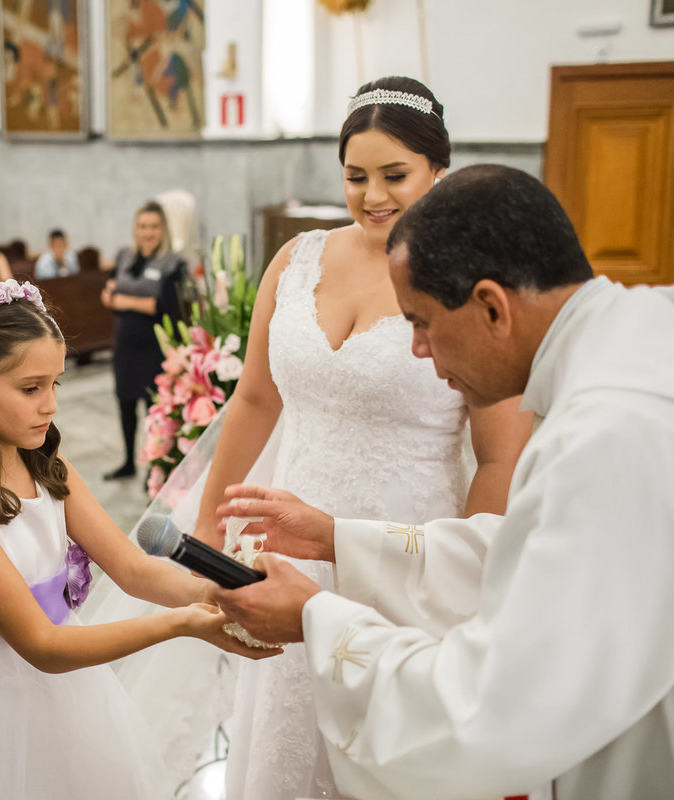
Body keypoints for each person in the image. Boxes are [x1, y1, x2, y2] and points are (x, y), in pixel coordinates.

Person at [212, 163, 674, 800]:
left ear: (491, 306)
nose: (419, 351)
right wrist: (341, 539)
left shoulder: (603, 433)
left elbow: (494, 708)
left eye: (421, 322)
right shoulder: (642, 330)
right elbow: (525, 552)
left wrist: (317, 618)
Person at [187, 76, 532, 800]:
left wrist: (462, 582)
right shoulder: (298, 260)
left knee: (382, 748)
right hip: (288, 543)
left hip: (403, 549)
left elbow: (500, 454)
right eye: (355, 176)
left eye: (394, 175)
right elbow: (255, 395)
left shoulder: (474, 280)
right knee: (288, 735)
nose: (372, 196)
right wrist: (208, 517)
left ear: (439, 171)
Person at [0, 279, 275, 799]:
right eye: (31, 388)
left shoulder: (41, 462)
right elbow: (42, 644)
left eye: (56, 383)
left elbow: (131, 567)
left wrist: (219, 595)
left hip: (67, 690)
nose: (51, 404)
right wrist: (181, 625)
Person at [101, 200, 187, 480]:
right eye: (142, 226)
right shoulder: (125, 256)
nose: (148, 232)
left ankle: (156, 467)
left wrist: (122, 299)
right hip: (125, 344)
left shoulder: (174, 262)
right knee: (125, 403)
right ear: (135, 229)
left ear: (163, 229)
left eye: (153, 226)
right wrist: (129, 301)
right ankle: (128, 462)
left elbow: (162, 305)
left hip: (155, 348)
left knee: (155, 410)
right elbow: (108, 296)